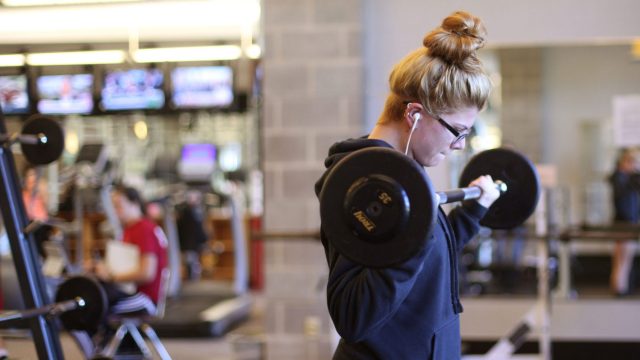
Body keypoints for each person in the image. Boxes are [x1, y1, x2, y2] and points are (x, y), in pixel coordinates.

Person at [314, 11, 500, 359]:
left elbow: (426, 251)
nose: (460, 145)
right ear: (414, 114)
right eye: (457, 130)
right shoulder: (361, 184)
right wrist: (415, 227)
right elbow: (352, 316)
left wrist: (474, 211)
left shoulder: (403, 175)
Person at [83, 184, 168, 348]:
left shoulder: (144, 229)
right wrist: (99, 267)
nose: (116, 210)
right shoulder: (130, 230)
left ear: (134, 203)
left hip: (143, 299)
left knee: (94, 303)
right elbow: (122, 265)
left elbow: (147, 273)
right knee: (91, 295)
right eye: (114, 206)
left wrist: (111, 276)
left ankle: (106, 348)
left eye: (119, 205)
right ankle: (111, 347)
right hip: (129, 291)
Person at [609, 148, 640, 296]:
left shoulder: (627, 179)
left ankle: (622, 285)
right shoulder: (619, 178)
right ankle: (619, 287)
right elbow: (623, 202)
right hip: (624, 222)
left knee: (626, 257)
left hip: (630, 221)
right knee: (622, 257)